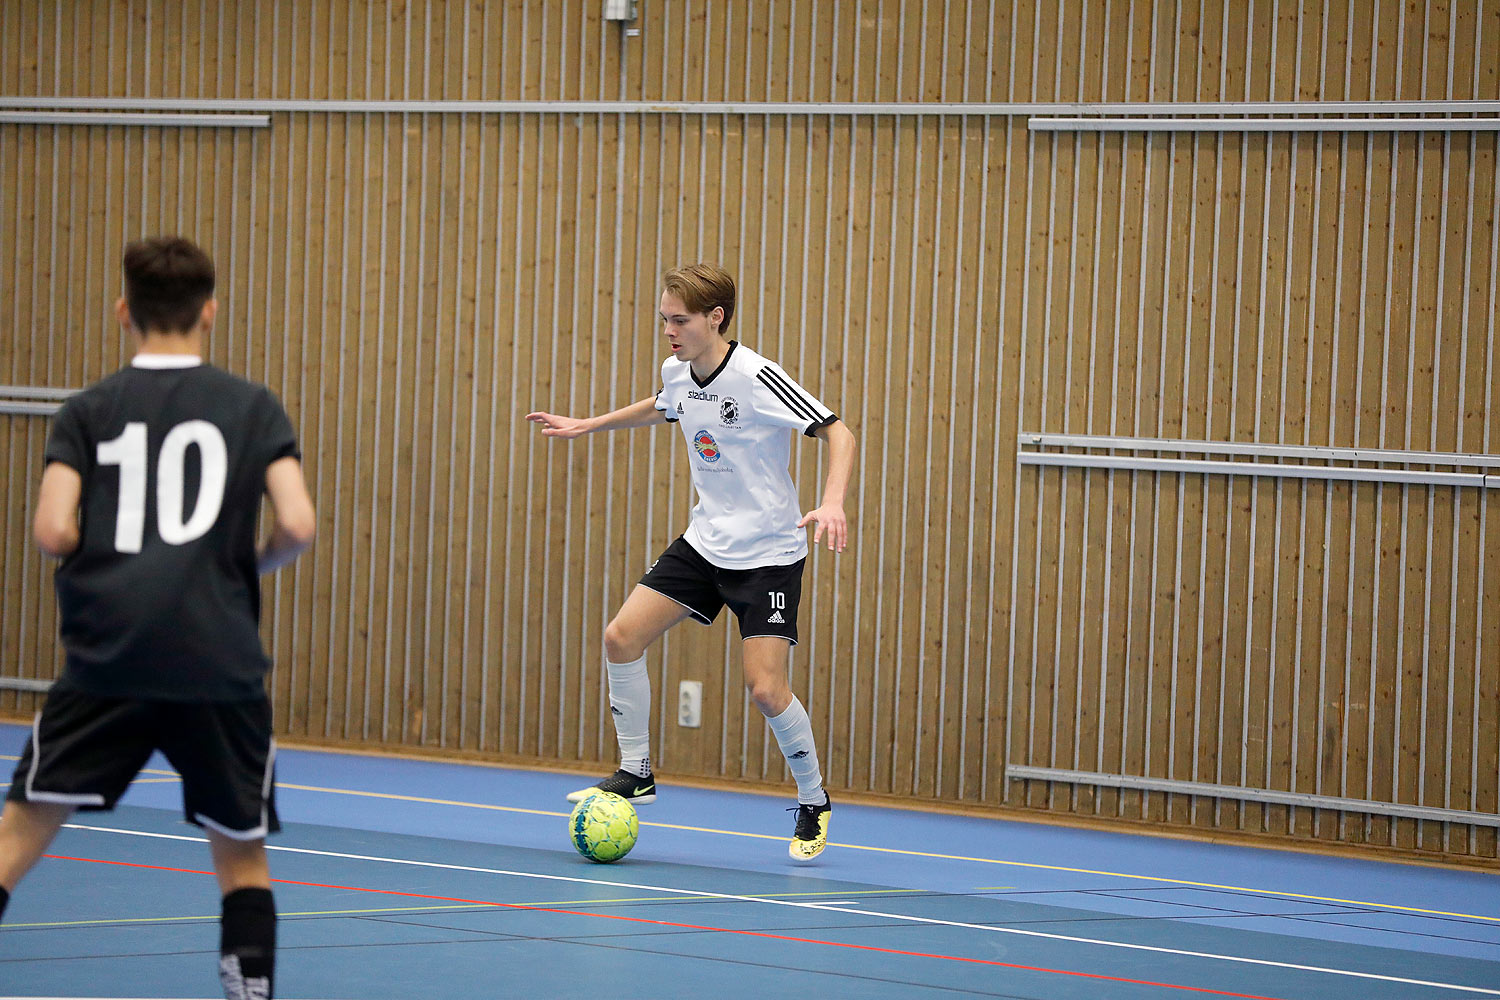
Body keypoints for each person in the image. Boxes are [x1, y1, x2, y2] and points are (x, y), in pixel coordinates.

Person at [0, 237, 316, 1000]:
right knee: (242, 862)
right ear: (209, 312)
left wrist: (107, 554)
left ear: (123, 313)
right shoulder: (252, 406)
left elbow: (51, 530)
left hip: (111, 657)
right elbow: (299, 524)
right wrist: (245, 563)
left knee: (15, 838)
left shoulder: (89, 410)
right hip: (219, 662)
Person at [525, 263, 856, 861]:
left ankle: (813, 798)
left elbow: (839, 432)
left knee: (765, 688)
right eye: (664, 320)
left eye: (679, 320)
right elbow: (663, 404)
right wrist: (588, 424)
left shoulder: (757, 377)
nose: (669, 331)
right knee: (621, 638)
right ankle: (637, 772)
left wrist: (830, 501)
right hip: (705, 542)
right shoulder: (677, 373)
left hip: (768, 555)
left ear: (716, 318)